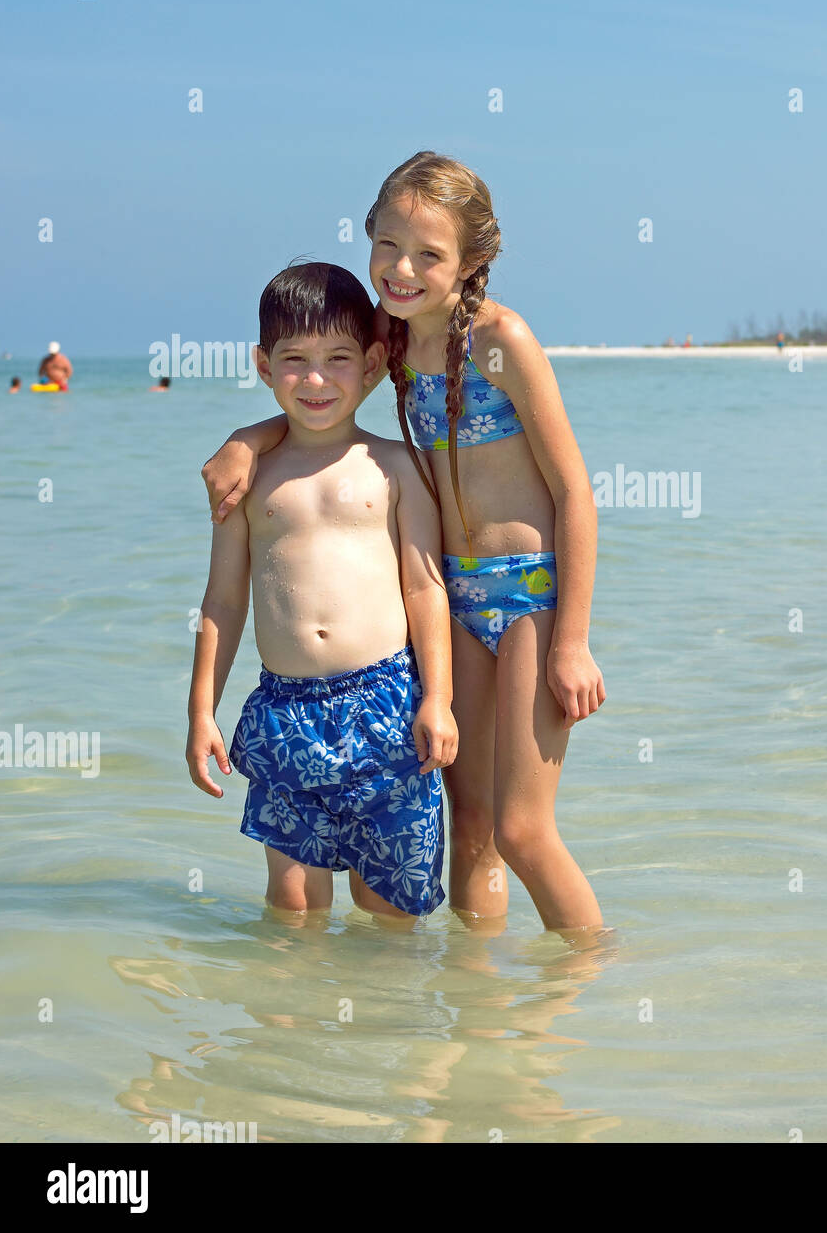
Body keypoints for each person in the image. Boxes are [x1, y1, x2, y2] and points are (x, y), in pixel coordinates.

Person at [202, 153, 605, 936]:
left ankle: (595, 977)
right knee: (474, 821)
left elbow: (574, 493)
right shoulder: (390, 339)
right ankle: (480, 1003)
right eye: (387, 245)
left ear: (472, 261)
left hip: (530, 597)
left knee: (523, 829)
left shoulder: (500, 339)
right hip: (451, 594)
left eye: (429, 254)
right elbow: (322, 396)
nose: (402, 267)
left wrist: (575, 641)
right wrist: (248, 440)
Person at [186, 263, 457, 922]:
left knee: (387, 900)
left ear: (369, 364)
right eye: (295, 360)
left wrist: (440, 699)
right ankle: (288, 1024)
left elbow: (425, 586)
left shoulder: (394, 466)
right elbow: (222, 601)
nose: (315, 379)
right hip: (285, 712)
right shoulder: (248, 483)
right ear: (262, 364)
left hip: (387, 704)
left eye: (337, 359)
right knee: (293, 899)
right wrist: (200, 710)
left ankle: (392, 1023)